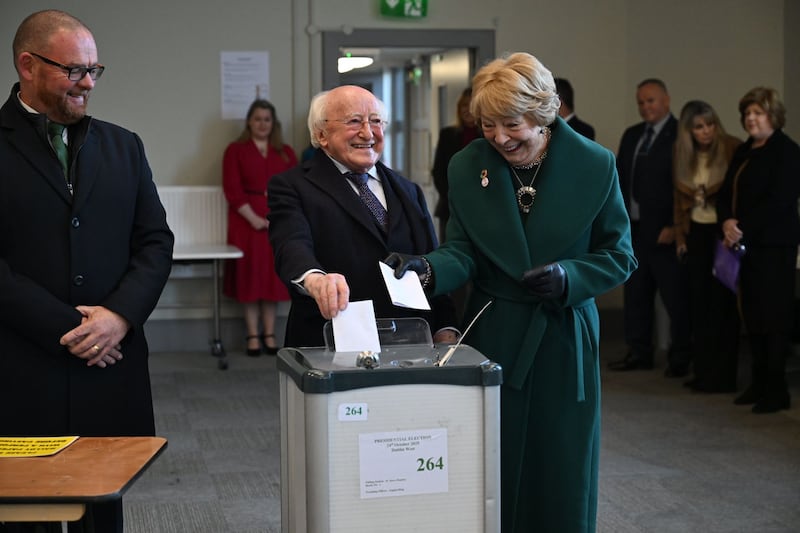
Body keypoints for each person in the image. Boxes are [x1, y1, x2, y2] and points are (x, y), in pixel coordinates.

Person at [386, 52, 636, 533]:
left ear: (543, 115)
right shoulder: (468, 166)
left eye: (511, 124)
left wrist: (569, 277)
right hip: (495, 328)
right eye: (488, 125)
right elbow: (462, 250)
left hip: (563, 334)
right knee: (490, 458)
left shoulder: (595, 164)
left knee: (561, 459)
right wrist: (428, 269)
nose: (500, 138)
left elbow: (619, 255)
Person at [0, 9, 174, 533]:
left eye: (95, 70)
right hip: (24, 367)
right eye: (74, 70)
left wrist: (118, 317)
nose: (87, 84)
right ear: (27, 65)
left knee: (103, 512)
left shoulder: (124, 145)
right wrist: (70, 329)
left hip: (110, 367)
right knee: (25, 514)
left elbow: (155, 241)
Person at [267, 85, 458, 348]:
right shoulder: (292, 186)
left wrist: (446, 326)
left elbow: (430, 261)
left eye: (376, 121)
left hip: (410, 341)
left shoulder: (408, 190)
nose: (368, 133)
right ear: (322, 134)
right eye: (354, 121)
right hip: (331, 339)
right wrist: (316, 280)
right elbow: (291, 244)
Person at [717, 87, 800, 413]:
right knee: (751, 314)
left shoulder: (788, 152)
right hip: (743, 245)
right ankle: (758, 381)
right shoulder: (745, 150)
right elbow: (726, 192)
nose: (751, 119)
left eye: (758, 113)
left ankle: (776, 388)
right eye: (748, 114)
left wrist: (740, 227)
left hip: (774, 245)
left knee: (773, 316)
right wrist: (726, 221)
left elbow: (780, 201)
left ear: (773, 116)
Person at [608, 78, 692, 377]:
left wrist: (674, 224)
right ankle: (639, 351)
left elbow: (686, 183)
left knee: (674, 296)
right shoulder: (632, 135)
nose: (646, 107)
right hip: (634, 229)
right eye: (641, 102)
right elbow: (618, 178)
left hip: (666, 230)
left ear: (666, 100)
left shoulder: (681, 133)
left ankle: (681, 356)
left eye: (651, 101)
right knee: (636, 294)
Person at [673, 100, 742, 393]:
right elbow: (678, 202)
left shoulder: (731, 148)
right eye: (699, 127)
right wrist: (680, 238)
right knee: (698, 305)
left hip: (723, 233)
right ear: (688, 131)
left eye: (710, 124)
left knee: (722, 307)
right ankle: (703, 372)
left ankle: (724, 376)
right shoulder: (681, 156)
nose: (706, 132)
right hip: (697, 233)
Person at [223, 99, 296, 355]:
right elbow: (232, 190)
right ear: (249, 122)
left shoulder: (285, 151)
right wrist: (254, 218)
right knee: (250, 280)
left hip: (278, 223)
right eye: (257, 119)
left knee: (272, 281)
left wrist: (279, 218)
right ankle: (252, 335)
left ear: (273, 123)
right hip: (246, 224)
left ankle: (269, 333)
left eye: (267, 119)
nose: (262, 124)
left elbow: (294, 188)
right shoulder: (236, 150)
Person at [432, 87, 481, 240]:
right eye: (464, 106)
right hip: (450, 206)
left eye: (471, 106)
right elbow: (438, 171)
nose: (467, 110)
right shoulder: (448, 134)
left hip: (480, 206)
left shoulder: (488, 136)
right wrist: (452, 196)